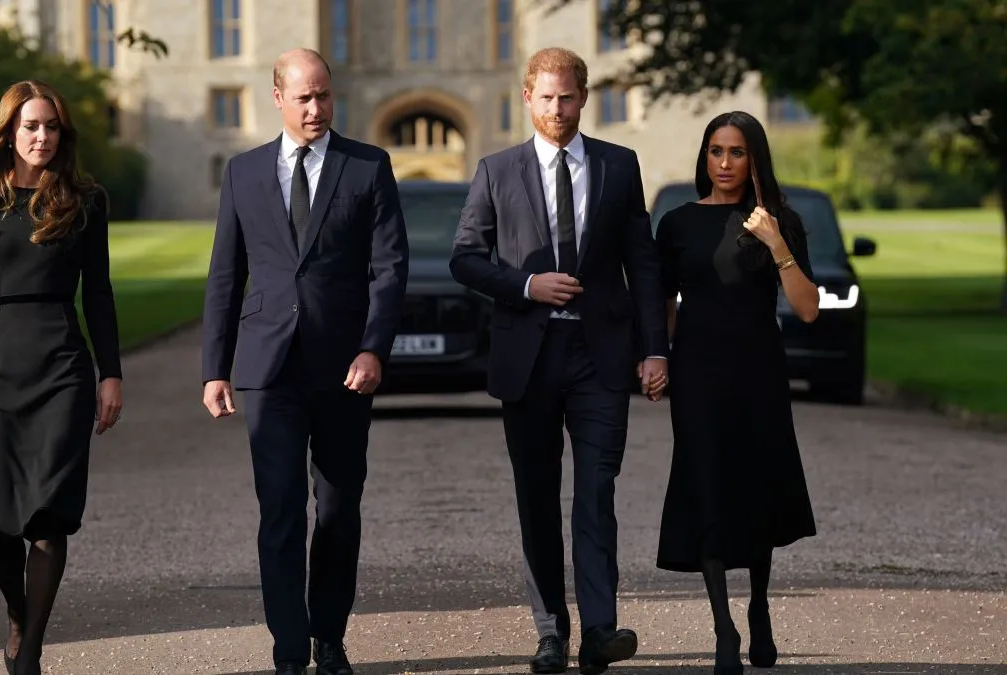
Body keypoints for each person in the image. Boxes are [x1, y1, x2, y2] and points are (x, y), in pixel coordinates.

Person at [449, 47, 669, 675]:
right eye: (545, 97)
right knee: (537, 497)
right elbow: (465, 257)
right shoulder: (496, 170)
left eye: (567, 97)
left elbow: (642, 265)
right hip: (529, 358)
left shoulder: (619, 165)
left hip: (601, 356)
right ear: (527, 98)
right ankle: (550, 630)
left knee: (596, 494)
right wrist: (526, 286)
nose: (557, 108)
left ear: (583, 97)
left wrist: (655, 347)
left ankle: (601, 629)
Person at [200, 48, 409, 675]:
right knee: (281, 510)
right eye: (304, 97)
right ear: (278, 98)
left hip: (346, 367)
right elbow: (224, 275)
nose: (316, 108)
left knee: (339, 509)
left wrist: (373, 346)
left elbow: (390, 268)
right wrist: (215, 367)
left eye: (324, 95)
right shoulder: (242, 172)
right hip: (267, 369)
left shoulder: (367, 166)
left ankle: (330, 637)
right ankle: (289, 646)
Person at [0, 80, 123, 675]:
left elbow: (98, 292)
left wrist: (110, 373)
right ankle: (18, 616)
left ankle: (29, 655)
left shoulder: (84, 200)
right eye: (31, 127)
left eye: (51, 127)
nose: (42, 137)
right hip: (1, 369)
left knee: (47, 516)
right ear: (8, 134)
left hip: (64, 368)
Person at [653, 111, 819, 675]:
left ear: (756, 159)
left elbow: (807, 307)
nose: (724, 163)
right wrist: (655, 358)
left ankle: (761, 607)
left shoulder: (781, 221)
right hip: (698, 371)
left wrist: (775, 242)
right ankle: (723, 627)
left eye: (737, 152)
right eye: (716, 151)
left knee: (756, 485)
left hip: (759, 370)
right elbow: (665, 303)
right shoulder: (676, 224)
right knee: (707, 484)